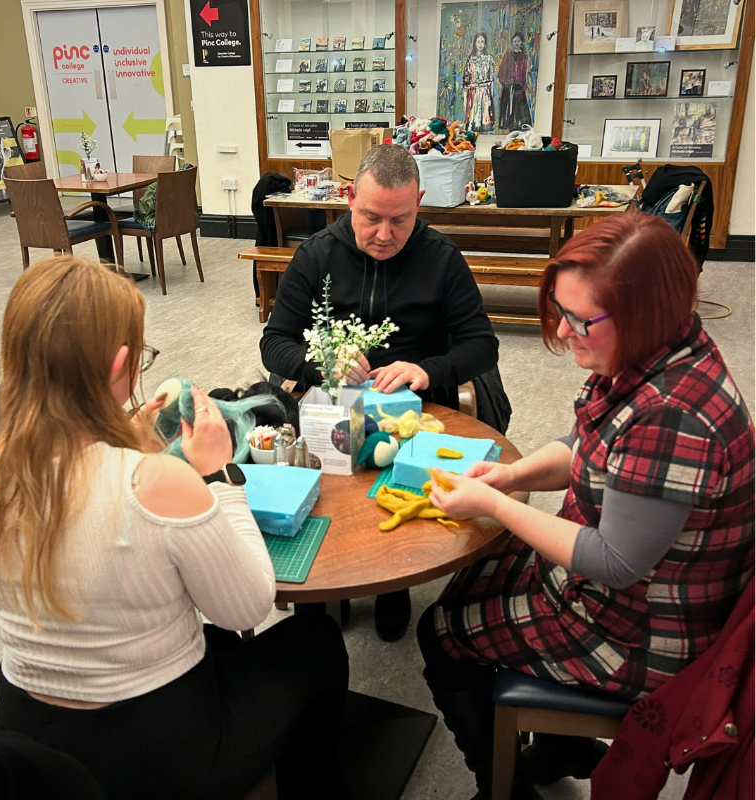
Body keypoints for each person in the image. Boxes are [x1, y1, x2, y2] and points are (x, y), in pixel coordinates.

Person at [0, 257, 349, 800]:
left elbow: (74, 518)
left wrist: (122, 443)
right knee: (317, 639)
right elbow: (247, 606)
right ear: (120, 363)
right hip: (156, 747)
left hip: (27, 729)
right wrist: (218, 472)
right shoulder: (156, 482)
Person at [416, 214, 755, 799]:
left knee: (442, 630)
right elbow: (585, 444)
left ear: (642, 313)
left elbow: (614, 562)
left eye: (581, 319)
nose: (567, 332)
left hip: (642, 635)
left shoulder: (671, 415)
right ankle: (561, 745)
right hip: (620, 594)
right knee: (473, 572)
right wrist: (514, 473)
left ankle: (509, 788)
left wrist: (496, 504)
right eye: (561, 310)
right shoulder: (650, 352)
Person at [260, 144, 508, 642]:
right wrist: (320, 365)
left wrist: (427, 368)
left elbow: (482, 345)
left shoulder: (441, 258)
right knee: (326, 482)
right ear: (350, 198)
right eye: (371, 217)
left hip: (417, 405)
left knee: (396, 482)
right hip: (332, 399)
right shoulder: (315, 256)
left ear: (419, 201)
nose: (384, 235)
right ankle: (331, 583)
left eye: (401, 220)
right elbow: (274, 343)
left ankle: (393, 582)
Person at [462, 32, 496, 133]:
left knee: (485, 125)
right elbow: (465, 82)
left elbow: (492, 80)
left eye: (482, 42)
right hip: (473, 94)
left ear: (485, 43)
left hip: (485, 94)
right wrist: (465, 100)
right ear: (474, 43)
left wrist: (491, 98)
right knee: (473, 125)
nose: (480, 44)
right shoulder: (470, 60)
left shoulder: (489, 59)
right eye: (478, 42)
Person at [498, 32, 532, 131]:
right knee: (508, 104)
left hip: (519, 85)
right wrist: (503, 81)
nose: (517, 43)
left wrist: (524, 84)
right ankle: (507, 123)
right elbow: (502, 69)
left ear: (521, 42)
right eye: (515, 41)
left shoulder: (523, 56)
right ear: (512, 42)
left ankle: (519, 124)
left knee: (519, 105)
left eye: (519, 41)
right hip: (508, 84)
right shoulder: (507, 55)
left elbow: (524, 71)